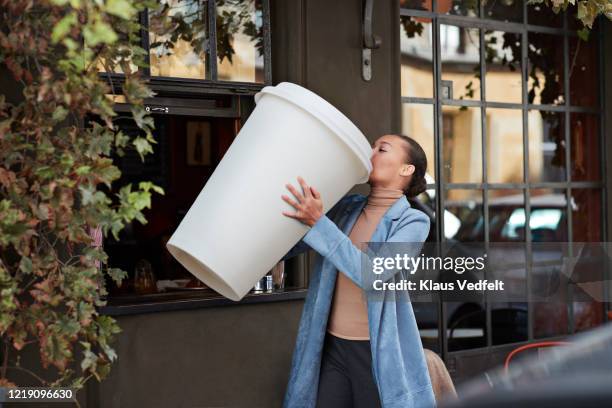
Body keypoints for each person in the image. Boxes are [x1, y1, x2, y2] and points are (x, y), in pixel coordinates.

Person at [280, 134, 436, 408]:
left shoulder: (413, 221)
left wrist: (318, 223)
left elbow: (372, 274)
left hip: (374, 351)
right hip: (331, 345)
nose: (371, 152)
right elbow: (292, 243)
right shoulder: (348, 207)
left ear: (406, 169)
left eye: (381, 149)